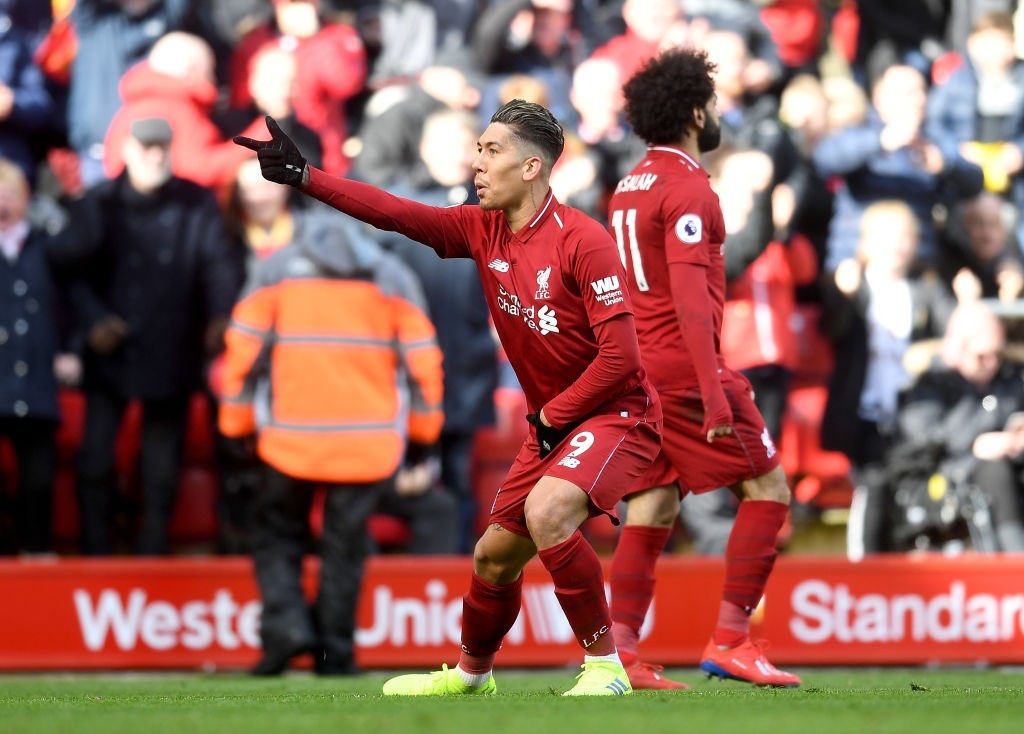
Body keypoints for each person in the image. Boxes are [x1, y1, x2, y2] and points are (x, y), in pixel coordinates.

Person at [234, 99, 663, 696]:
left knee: (546, 514)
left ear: (533, 167)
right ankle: (472, 675)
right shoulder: (481, 229)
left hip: (618, 414)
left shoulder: (583, 241)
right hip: (555, 424)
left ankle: (606, 668)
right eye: (477, 149)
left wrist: (553, 415)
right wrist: (307, 178)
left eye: (491, 151)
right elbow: (396, 213)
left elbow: (623, 361)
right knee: (492, 558)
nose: (476, 162)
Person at [605, 47, 800, 689]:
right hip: (687, 369)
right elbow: (690, 298)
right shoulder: (688, 187)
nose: (717, 113)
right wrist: (715, 390)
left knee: (654, 505)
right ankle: (732, 640)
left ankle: (622, 655)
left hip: (639, 368)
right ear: (694, 111)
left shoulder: (628, 187)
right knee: (770, 491)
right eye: (712, 103)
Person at [218, 206, 445, 675]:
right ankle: (334, 652)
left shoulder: (275, 270)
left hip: (289, 440)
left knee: (275, 534)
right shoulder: (392, 276)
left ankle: (287, 629)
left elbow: (242, 351)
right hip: (368, 446)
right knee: (346, 547)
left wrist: (236, 424)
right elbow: (424, 365)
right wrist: (423, 436)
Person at [50, 116, 240, 556]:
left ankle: (152, 553)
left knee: (162, 468)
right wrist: (93, 320)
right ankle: (94, 552)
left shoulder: (196, 203)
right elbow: (70, 268)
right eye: (146, 147)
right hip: (110, 347)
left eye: (161, 148)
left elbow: (219, 264)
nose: (154, 156)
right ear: (127, 151)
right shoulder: (100, 201)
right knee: (95, 460)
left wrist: (219, 316)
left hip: (172, 345)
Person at [887, 301, 1024, 552]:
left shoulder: (1011, 379)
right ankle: (1016, 561)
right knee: (994, 470)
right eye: (982, 356)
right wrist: (978, 444)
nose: (992, 363)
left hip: (1012, 466)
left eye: (998, 354)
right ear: (958, 349)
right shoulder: (930, 386)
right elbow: (922, 440)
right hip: (948, 477)